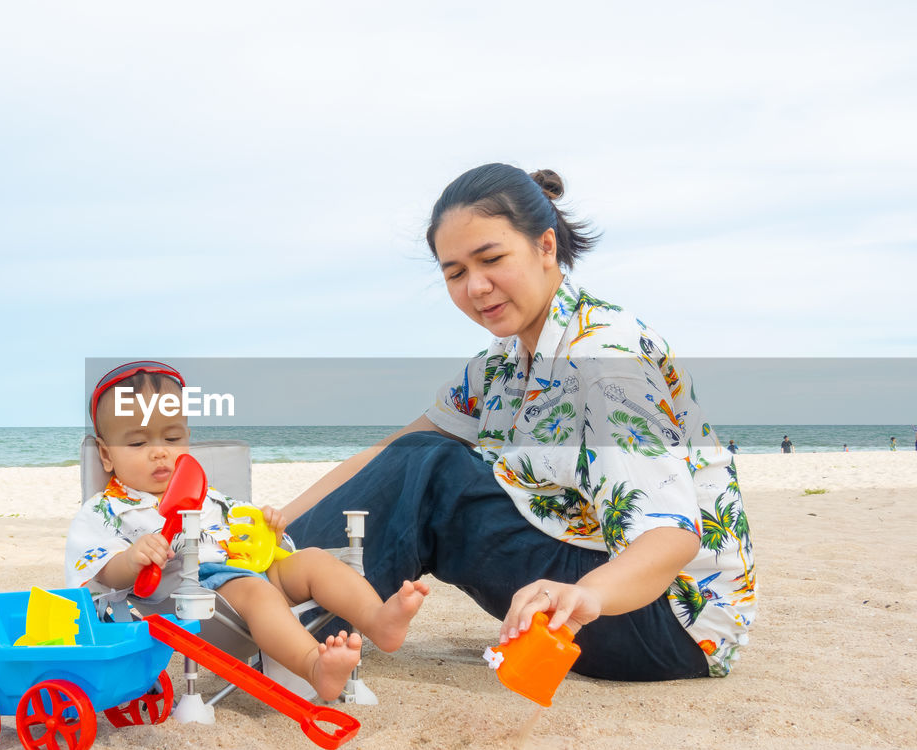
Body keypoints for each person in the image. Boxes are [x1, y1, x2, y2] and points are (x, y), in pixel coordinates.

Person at [282, 163, 755, 680]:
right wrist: (278, 520)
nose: (476, 287)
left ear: (545, 246)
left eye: (491, 259)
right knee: (424, 455)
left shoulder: (600, 357)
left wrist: (582, 593)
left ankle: (273, 606)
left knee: (437, 473)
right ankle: (268, 580)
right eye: (455, 273)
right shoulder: (505, 359)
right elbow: (398, 451)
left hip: (661, 620)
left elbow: (671, 538)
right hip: (591, 578)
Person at [66, 361, 430, 700]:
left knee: (314, 560)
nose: (159, 452)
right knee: (256, 590)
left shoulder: (210, 496)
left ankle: (378, 620)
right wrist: (131, 559)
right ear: (106, 455)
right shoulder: (107, 509)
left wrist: (269, 526)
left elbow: (251, 531)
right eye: (138, 443)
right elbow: (100, 571)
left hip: (251, 568)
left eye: (173, 439)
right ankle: (312, 666)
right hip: (198, 593)